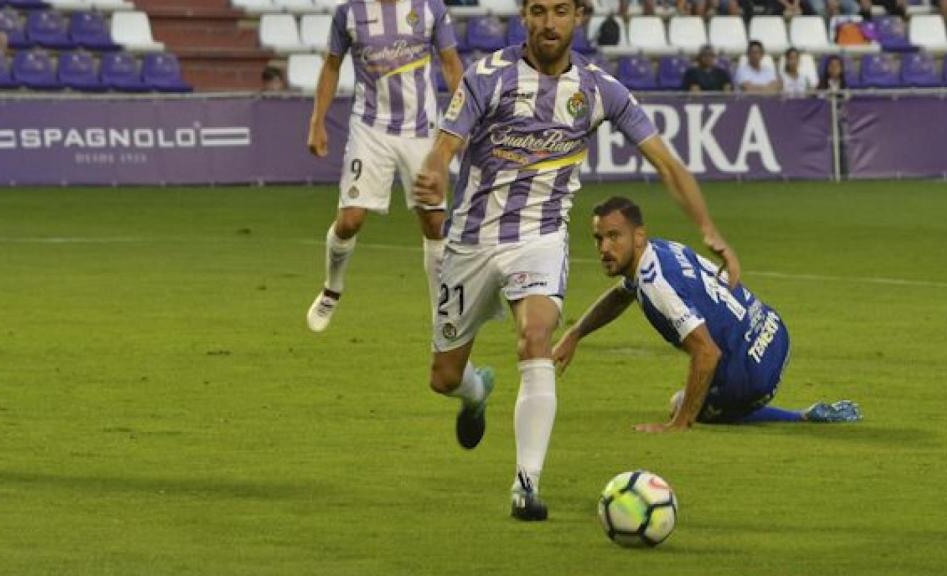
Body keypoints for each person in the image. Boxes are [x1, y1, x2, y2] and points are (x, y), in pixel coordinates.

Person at [412, 0, 740, 521]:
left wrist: (709, 229)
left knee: (535, 336)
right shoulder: (489, 77)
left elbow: (666, 163)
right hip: (470, 242)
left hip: (539, 239)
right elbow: (446, 144)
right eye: (538, 10)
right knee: (444, 377)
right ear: (524, 15)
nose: (549, 22)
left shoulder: (600, 90)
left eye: (560, 10)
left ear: (579, 16)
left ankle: (527, 484)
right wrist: (433, 170)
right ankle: (475, 393)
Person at [553, 197, 862, 432]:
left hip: (754, 370)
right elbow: (622, 294)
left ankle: (801, 416)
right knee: (696, 392)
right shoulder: (659, 250)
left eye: (613, 236)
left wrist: (679, 424)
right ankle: (806, 411)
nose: (604, 248)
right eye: (598, 239)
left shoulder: (657, 285)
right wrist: (575, 333)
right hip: (773, 331)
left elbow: (707, 353)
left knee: (680, 402)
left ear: (637, 237)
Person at [305, 0, 465, 332]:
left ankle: (442, 316)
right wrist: (316, 121)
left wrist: (464, 119)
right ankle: (332, 288)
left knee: (435, 223)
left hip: (421, 132)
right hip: (370, 129)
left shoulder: (430, 8)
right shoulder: (349, 13)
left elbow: (451, 64)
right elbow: (331, 66)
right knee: (349, 221)